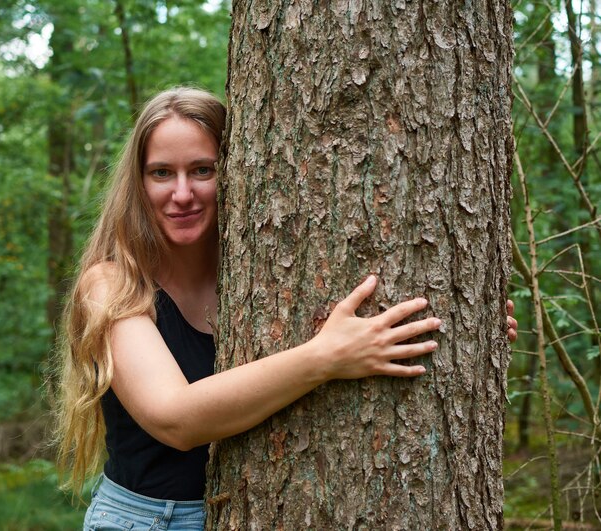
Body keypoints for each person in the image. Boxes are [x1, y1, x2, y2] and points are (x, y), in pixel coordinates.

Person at [53, 86, 517, 530]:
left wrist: (466, 335)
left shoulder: (255, 271)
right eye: (161, 173)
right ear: (138, 182)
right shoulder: (112, 284)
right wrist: (327, 357)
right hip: (151, 520)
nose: (181, 193)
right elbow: (176, 418)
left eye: (202, 170)